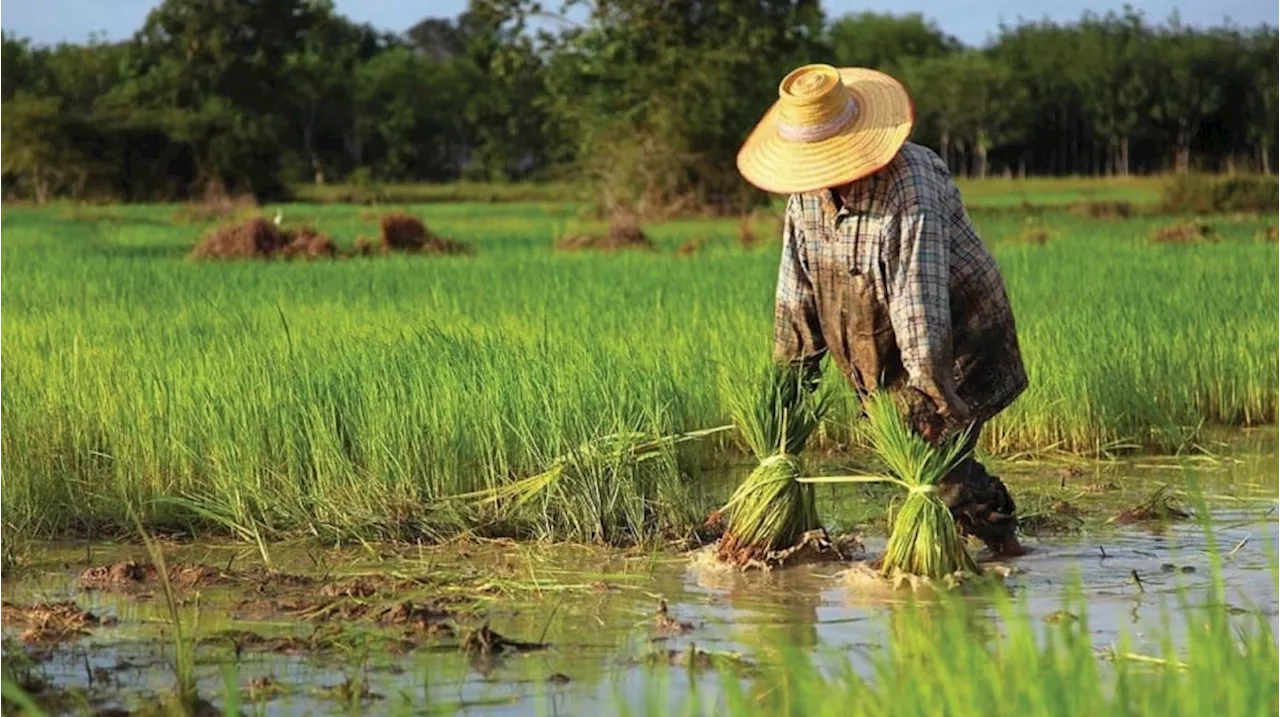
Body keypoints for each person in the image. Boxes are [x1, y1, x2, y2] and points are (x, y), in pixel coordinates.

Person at [735, 63, 1029, 557]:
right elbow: (796, 297)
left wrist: (931, 398)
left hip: (957, 338)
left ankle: (1001, 546)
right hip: (876, 343)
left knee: (938, 470)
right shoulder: (805, 200)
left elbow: (921, 307)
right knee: (920, 462)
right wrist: (785, 401)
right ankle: (979, 529)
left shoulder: (911, 185)